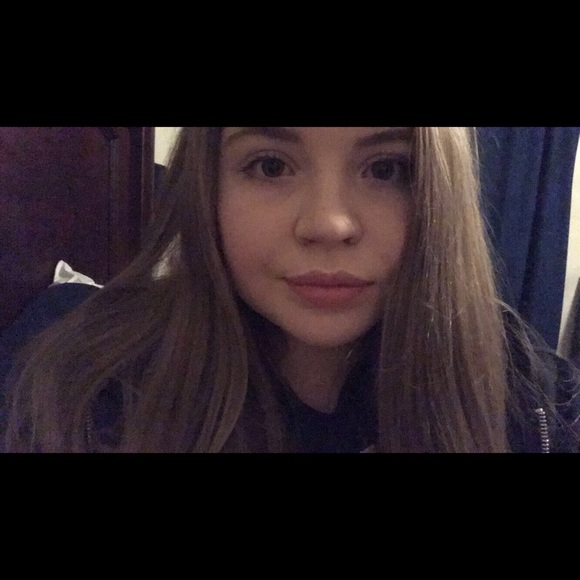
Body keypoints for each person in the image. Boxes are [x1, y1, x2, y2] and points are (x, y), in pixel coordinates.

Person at [1, 127, 579, 453]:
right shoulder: (86, 392)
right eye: (271, 166)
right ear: (206, 186)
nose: (329, 224)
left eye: (387, 169)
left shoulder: (529, 396)